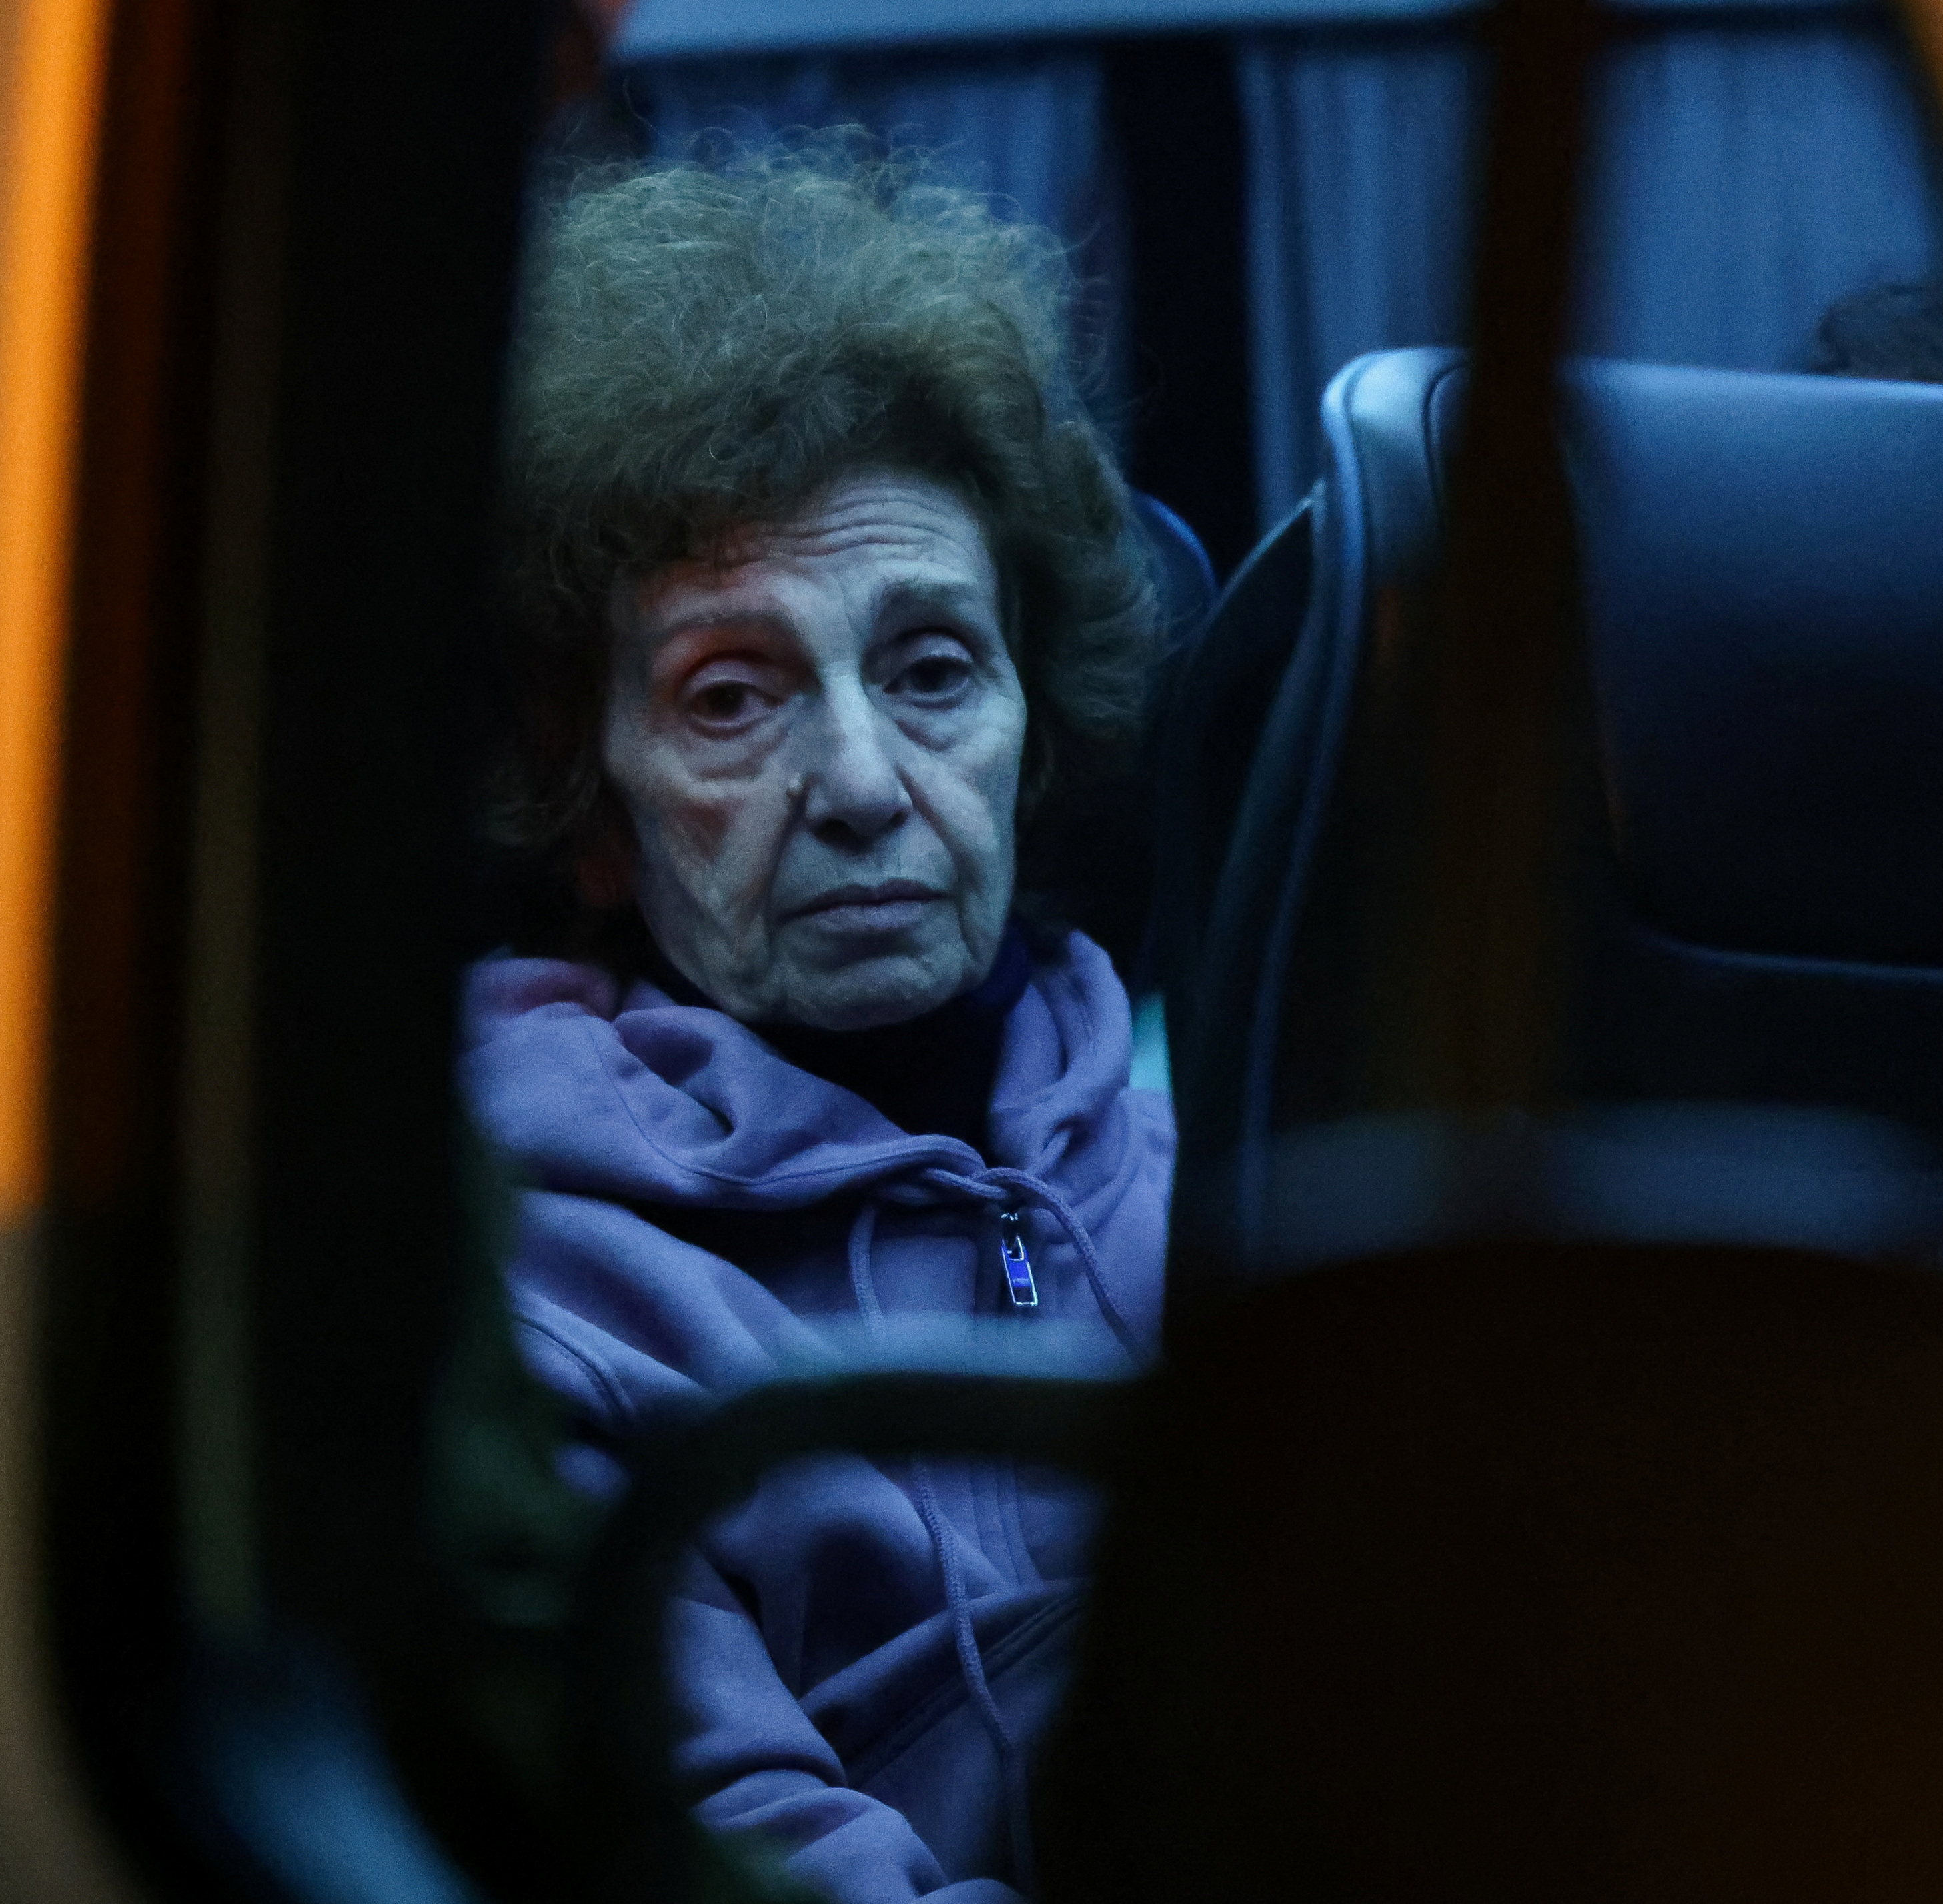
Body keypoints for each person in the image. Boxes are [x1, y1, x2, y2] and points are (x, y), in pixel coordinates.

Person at [460, 151, 1172, 1904]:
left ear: (1032, 718)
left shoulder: (1220, 1135)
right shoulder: (540, 1297)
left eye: (932, 667)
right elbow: (748, 1860)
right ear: (597, 813)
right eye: (732, 693)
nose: (861, 783)